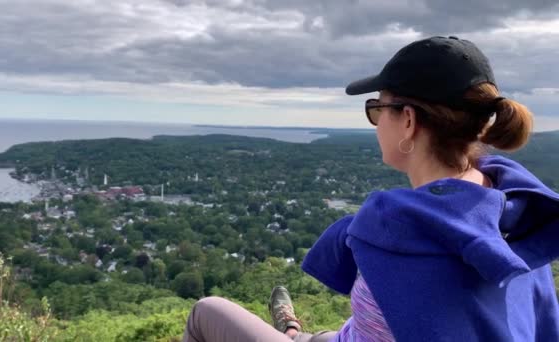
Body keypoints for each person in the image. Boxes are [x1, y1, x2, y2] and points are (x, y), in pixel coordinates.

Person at [183, 36, 559, 341]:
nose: (376, 122)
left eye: (377, 109)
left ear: (408, 120)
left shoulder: (394, 232)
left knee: (208, 311)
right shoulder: (523, 212)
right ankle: (294, 332)